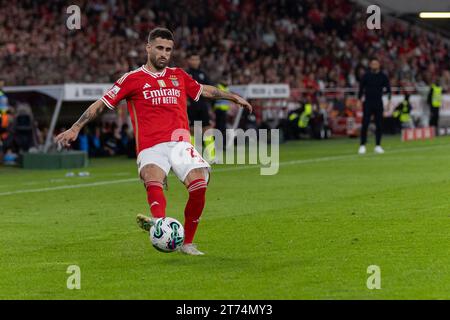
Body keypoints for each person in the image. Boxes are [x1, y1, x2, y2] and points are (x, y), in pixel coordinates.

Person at [55, 27, 252, 256]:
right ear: (148, 48)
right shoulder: (132, 79)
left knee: (199, 185)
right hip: (150, 145)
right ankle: (160, 225)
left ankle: (187, 243)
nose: (164, 53)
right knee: (152, 176)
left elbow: (204, 91)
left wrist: (233, 97)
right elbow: (101, 104)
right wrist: (75, 127)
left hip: (180, 142)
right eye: (159, 48)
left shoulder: (179, 75)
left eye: (168, 49)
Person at [185, 52, 215, 162]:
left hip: (202, 105)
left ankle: (211, 156)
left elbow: (210, 90)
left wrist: (210, 107)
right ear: (188, 61)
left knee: (207, 129)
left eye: (197, 59)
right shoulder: (186, 74)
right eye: (193, 59)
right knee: (192, 130)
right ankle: (192, 156)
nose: (195, 62)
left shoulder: (203, 74)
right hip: (191, 105)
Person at [358, 58, 391, 154]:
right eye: (372, 63)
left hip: (378, 102)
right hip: (368, 102)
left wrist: (388, 101)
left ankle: (378, 145)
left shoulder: (383, 76)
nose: (374, 65)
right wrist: (359, 100)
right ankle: (362, 145)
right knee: (365, 124)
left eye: (376, 63)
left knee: (379, 124)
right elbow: (361, 89)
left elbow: (388, 89)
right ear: (370, 65)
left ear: (379, 65)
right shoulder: (366, 76)